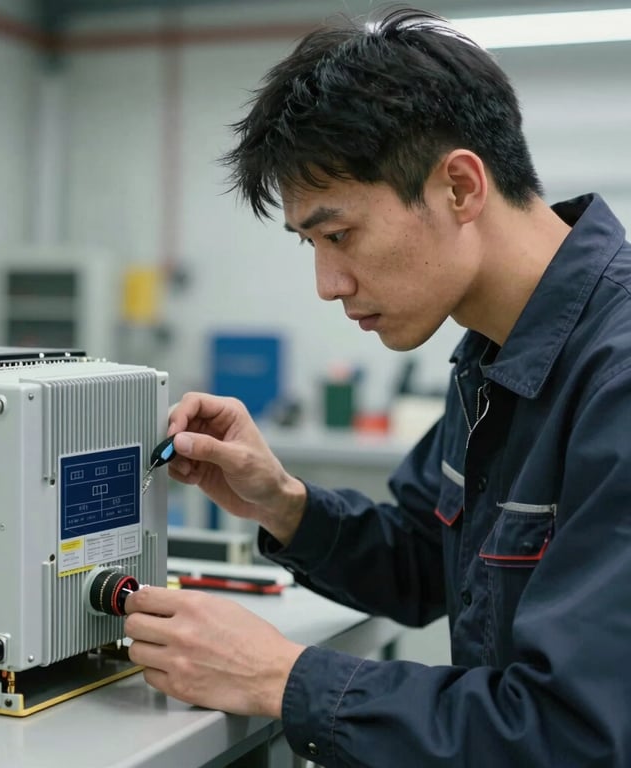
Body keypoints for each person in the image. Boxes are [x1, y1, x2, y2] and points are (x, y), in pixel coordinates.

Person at [124, 6, 631, 765]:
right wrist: (282, 503)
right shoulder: (494, 355)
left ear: (460, 187)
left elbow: (573, 735)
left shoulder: (616, 380)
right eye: (310, 243)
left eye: (339, 235)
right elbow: (431, 562)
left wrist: (278, 677)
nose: (328, 283)